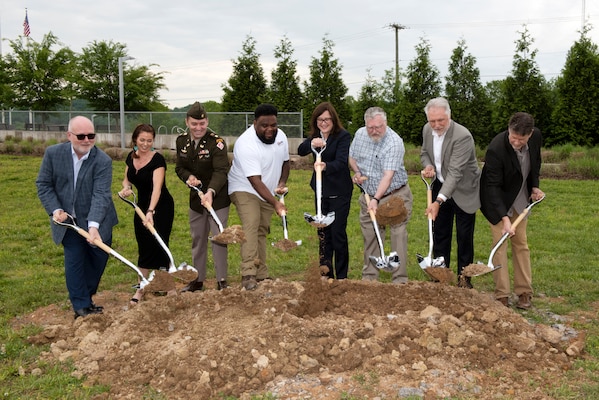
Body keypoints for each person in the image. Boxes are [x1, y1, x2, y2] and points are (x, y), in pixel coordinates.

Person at [36, 116, 118, 319]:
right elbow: (44, 184)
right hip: (67, 221)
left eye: (91, 136)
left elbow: (101, 194)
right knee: (75, 261)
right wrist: (55, 210)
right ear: (69, 135)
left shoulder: (102, 160)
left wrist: (93, 226)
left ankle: (86, 296)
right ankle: (81, 306)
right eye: (81, 136)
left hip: (98, 220)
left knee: (97, 260)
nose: (87, 140)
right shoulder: (54, 154)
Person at [480, 112, 544, 309]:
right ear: (509, 130)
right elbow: (492, 186)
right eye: (513, 137)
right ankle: (502, 295)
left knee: (521, 243)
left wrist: (534, 186)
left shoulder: (536, 137)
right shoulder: (496, 148)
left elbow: (535, 163)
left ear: (530, 134)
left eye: (521, 139)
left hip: (520, 199)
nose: (516, 142)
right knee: (500, 245)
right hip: (496, 200)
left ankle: (524, 292)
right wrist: (504, 218)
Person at [420, 97, 481, 288]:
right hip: (440, 184)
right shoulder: (427, 130)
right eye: (432, 121)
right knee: (440, 233)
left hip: (464, 189)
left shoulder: (462, 136)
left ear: (449, 116)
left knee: (464, 237)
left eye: (441, 120)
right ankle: (441, 275)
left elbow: (455, 173)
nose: (436, 125)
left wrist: (437, 202)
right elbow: (424, 153)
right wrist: (428, 165)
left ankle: (464, 279)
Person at [228, 103, 290, 290]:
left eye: (273, 125)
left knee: (262, 229)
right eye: (264, 125)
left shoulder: (281, 137)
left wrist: (281, 183)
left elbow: (286, 163)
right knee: (252, 224)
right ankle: (248, 273)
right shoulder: (245, 144)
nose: (270, 129)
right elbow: (254, 180)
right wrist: (276, 204)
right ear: (255, 123)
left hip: (267, 190)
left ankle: (261, 273)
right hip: (244, 187)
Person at [349, 107, 413, 284]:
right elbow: (352, 158)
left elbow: (388, 175)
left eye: (379, 127)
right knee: (370, 235)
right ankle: (370, 278)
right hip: (368, 195)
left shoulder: (394, 142)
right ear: (365, 124)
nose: (375, 131)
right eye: (371, 127)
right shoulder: (360, 135)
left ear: (385, 123)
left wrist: (377, 199)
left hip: (395, 196)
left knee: (397, 235)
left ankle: (399, 280)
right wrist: (357, 173)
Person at [175, 102, 231, 292]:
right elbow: (179, 167)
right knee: (198, 238)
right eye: (194, 124)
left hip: (217, 198)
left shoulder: (217, 142)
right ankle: (197, 280)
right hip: (196, 200)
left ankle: (222, 280)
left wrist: (211, 192)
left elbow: (221, 170)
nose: (198, 128)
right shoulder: (181, 141)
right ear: (187, 122)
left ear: (207, 121)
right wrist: (188, 177)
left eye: (202, 123)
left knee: (218, 238)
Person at [118, 124, 175, 305]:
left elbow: (157, 189)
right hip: (140, 206)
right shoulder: (131, 156)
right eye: (142, 140)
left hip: (161, 206)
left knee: (160, 244)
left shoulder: (157, 160)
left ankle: (170, 288)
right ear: (135, 139)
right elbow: (127, 179)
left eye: (149, 141)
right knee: (143, 246)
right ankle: (141, 289)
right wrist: (126, 188)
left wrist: (150, 211)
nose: (145, 144)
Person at [298, 102, 353, 279]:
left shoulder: (343, 136)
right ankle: (326, 273)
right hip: (321, 192)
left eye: (327, 119)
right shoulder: (315, 136)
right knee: (323, 233)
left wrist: (325, 166)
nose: (324, 123)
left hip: (340, 191)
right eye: (320, 119)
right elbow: (300, 151)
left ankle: (342, 276)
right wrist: (311, 143)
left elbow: (342, 160)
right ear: (316, 121)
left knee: (337, 233)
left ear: (333, 120)